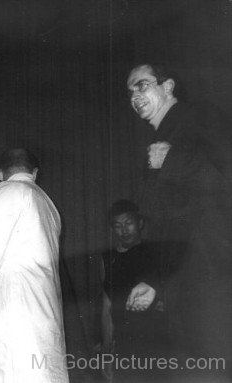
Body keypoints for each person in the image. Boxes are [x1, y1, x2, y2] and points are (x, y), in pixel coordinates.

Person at [127, 63, 232, 377]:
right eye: (129, 91)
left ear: (167, 86)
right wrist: (153, 279)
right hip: (184, 281)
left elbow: (223, 180)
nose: (134, 96)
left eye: (141, 85)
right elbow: (166, 222)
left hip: (212, 273)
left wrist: (170, 160)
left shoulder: (198, 119)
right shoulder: (160, 138)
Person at [0, 148, 68, 383]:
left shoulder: (9, 191)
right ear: (35, 172)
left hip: (10, 312)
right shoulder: (50, 206)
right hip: (43, 311)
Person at [99, 200, 166, 382]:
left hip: (157, 343)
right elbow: (107, 307)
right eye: (118, 225)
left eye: (129, 223)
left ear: (140, 223)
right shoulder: (108, 259)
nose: (124, 230)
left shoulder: (155, 253)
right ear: (112, 228)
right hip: (124, 344)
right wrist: (107, 353)